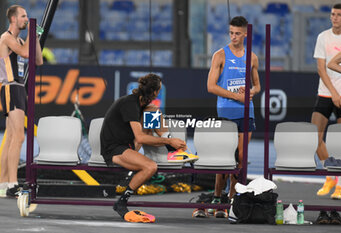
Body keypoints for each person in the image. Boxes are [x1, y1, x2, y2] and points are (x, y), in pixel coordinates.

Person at [100, 73, 198, 221]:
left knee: (153, 111)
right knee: (150, 167)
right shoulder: (130, 104)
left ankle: (173, 149)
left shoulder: (142, 104)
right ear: (155, 92)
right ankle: (121, 202)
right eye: (158, 91)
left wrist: (168, 140)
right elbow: (140, 138)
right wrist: (168, 142)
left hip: (128, 144)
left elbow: (142, 133)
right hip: (114, 149)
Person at [192, 16, 260, 218]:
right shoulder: (220, 55)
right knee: (224, 158)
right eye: (231, 32)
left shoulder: (253, 57)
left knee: (241, 157)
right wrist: (236, 96)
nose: (234, 36)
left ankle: (232, 198)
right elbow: (210, 86)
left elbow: (257, 84)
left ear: (245, 34)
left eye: (238, 33)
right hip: (227, 111)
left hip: (247, 112)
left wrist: (252, 91)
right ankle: (216, 196)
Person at [0, 5, 43, 198]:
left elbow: (38, 60)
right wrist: (31, 34)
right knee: (18, 137)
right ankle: (12, 184)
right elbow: (26, 54)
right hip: (10, 86)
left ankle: (3, 183)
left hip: (16, 87)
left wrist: (35, 36)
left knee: (10, 138)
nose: (26, 19)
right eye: (23, 16)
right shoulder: (7, 37)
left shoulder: (18, 39)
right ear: (13, 19)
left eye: (27, 16)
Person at [312, 3, 341, 201]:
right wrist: (333, 92)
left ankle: (340, 187)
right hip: (326, 93)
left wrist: (340, 93)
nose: (334, 17)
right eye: (332, 14)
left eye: (338, 15)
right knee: (314, 136)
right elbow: (322, 68)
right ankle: (330, 175)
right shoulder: (323, 37)